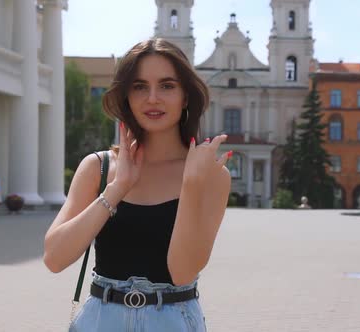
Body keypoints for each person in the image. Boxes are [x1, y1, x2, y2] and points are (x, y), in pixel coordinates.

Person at [43, 38, 232, 331]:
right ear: (126, 96)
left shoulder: (210, 176)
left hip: (173, 320)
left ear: (185, 97)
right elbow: (54, 258)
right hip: (100, 320)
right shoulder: (99, 167)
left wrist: (191, 185)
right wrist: (117, 188)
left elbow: (182, 272)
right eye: (140, 86)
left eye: (167, 85)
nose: (152, 98)